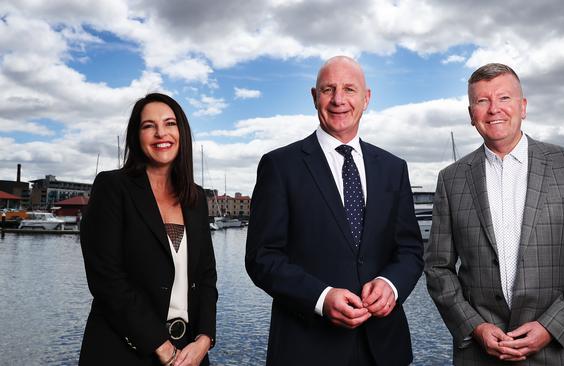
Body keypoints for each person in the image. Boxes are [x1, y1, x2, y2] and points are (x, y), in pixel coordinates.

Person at [424, 63, 564, 365]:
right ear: (471, 113)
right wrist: (474, 326)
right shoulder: (451, 179)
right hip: (480, 353)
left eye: (504, 98)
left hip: (560, 353)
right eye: (482, 101)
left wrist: (550, 327)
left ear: (522, 106)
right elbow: (437, 268)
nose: (493, 109)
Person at [245, 56, 423, 366]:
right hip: (306, 349)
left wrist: (392, 286)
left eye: (349, 89)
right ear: (314, 97)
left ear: (366, 98)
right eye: (328, 89)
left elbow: (409, 249)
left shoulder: (394, 168)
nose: (339, 99)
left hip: (383, 349)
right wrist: (321, 298)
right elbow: (262, 258)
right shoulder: (279, 166)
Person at [79, 93, 218, 366]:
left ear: (182, 132)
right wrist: (161, 346)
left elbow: (206, 277)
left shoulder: (197, 198)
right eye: (148, 126)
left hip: (190, 354)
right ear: (136, 136)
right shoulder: (112, 187)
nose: (160, 133)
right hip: (123, 352)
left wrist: (205, 339)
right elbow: (107, 279)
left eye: (169, 124)